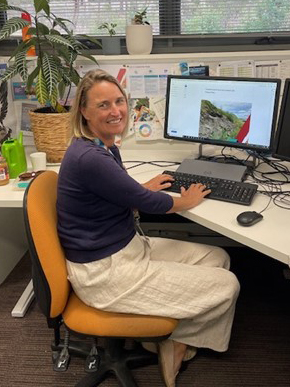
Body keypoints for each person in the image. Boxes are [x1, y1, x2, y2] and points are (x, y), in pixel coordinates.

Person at [57, 69, 240, 387]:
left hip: (125, 248)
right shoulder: (91, 158)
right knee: (229, 286)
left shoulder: (102, 145)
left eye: (119, 101)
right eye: (103, 105)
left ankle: (169, 336)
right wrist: (187, 200)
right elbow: (150, 204)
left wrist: (142, 187)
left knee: (218, 257)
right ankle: (174, 342)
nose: (116, 111)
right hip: (105, 272)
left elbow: (119, 193)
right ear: (83, 111)